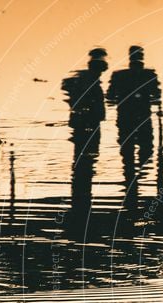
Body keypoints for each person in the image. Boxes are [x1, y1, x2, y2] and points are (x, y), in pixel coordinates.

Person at [106, 45, 161, 202]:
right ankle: (140, 175)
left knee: (128, 152)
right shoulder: (149, 74)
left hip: (126, 116)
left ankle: (131, 181)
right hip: (142, 116)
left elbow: (110, 96)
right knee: (144, 149)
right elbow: (157, 95)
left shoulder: (119, 75)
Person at [62, 48, 108, 202]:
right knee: (85, 159)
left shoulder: (86, 79)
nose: (101, 72)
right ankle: (82, 195)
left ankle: (81, 194)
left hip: (86, 123)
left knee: (83, 159)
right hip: (88, 123)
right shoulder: (86, 81)